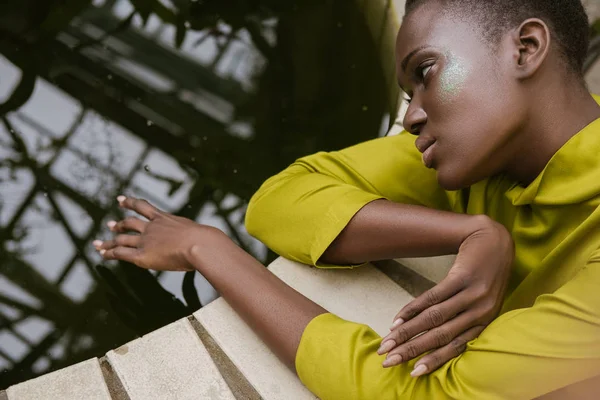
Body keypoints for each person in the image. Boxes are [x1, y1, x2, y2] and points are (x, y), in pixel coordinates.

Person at [95, 0, 600, 398]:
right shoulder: (488, 158)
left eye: (425, 72)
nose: (410, 118)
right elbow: (281, 198)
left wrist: (211, 252)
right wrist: (473, 232)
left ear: (526, 47)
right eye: (406, 95)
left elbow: (424, 396)